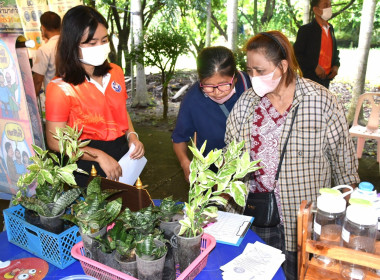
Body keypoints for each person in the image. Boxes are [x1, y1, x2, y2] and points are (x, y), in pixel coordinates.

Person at [224, 31, 359, 280]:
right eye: (249, 71)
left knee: (302, 275)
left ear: (283, 66)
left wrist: (343, 227)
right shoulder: (246, 104)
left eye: (260, 70)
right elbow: (230, 161)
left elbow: (345, 169)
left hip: (305, 222)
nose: (253, 78)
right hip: (258, 215)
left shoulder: (321, 102)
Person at [45, 5, 144, 188]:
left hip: (123, 155)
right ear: (72, 44)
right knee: (95, 213)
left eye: (104, 40)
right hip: (86, 159)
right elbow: (54, 141)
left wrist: (132, 136)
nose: (100, 47)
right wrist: (98, 155)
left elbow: (120, 111)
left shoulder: (115, 72)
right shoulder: (60, 88)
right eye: (91, 43)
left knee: (129, 208)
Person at [172, 46, 251, 181]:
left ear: (235, 77)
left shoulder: (251, 87)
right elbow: (179, 138)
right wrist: (185, 163)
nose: (217, 92)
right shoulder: (193, 99)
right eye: (208, 86)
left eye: (224, 84)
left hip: (251, 168)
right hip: (213, 172)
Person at [293, 0, 339, 88]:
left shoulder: (330, 29)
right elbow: (296, 54)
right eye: (325, 5)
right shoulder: (306, 30)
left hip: (326, 80)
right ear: (316, 9)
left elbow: (335, 51)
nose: (329, 8)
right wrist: (314, 66)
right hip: (309, 80)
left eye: (330, 5)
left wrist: (336, 66)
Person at [32, 11, 61, 96]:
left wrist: (32, 103)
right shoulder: (71, 45)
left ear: (43, 28)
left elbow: (37, 81)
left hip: (55, 99)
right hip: (74, 98)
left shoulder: (44, 50)